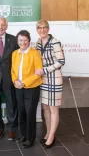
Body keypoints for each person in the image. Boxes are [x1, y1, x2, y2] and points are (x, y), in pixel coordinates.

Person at [35, 19, 65, 148]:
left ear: (48, 28)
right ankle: (48, 133)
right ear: (37, 30)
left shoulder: (55, 42)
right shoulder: (37, 43)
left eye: (44, 27)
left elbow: (61, 61)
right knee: (46, 107)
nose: (42, 30)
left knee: (53, 109)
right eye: (39, 28)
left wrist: (45, 70)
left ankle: (52, 137)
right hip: (43, 79)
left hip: (54, 78)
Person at [11, 30, 43, 148]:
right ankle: (23, 135)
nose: (23, 42)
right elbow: (13, 70)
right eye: (20, 40)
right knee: (22, 112)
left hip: (31, 88)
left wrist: (23, 83)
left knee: (30, 113)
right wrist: (15, 81)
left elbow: (38, 73)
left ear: (29, 41)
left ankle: (30, 138)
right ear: (17, 41)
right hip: (18, 87)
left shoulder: (35, 53)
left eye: (25, 40)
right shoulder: (15, 53)